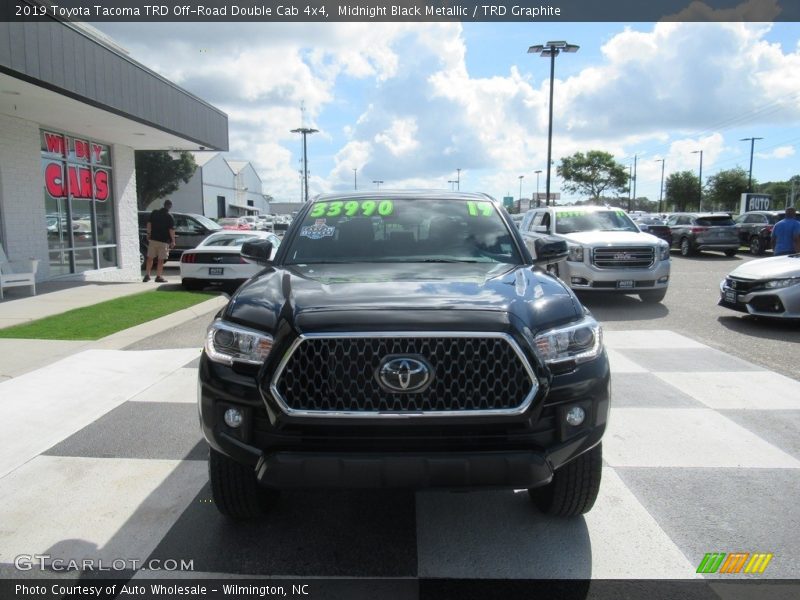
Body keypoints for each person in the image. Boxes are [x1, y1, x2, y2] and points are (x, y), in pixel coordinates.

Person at [143, 199, 176, 282]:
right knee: (161, 260)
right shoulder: (169, 216)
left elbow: (149, 224)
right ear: (170, 206)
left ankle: (147, 275)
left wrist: (148, 234)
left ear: (163, 205)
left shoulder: (154, 213)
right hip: (163, 241)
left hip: (153, 239)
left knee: (150, 258)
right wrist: (173, 241)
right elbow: (171, 230)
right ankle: (158, 276)